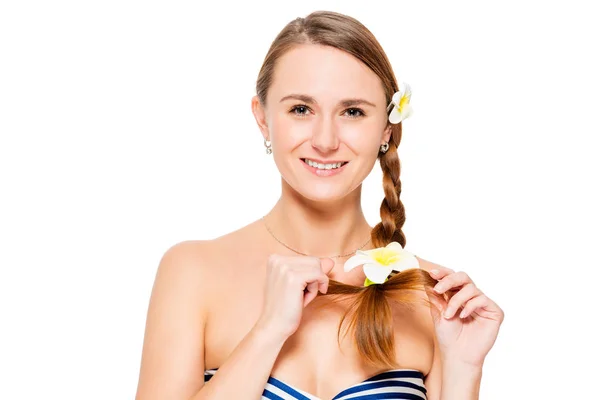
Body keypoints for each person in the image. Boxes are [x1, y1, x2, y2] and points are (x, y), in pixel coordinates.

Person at [135, 10, 504, 400]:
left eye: (352, 112)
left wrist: (464, 370)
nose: (325, 140)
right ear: (263, 119)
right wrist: (270, 330)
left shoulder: (433, 296)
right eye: (300, 109)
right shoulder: (194, 272)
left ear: (386, 129)